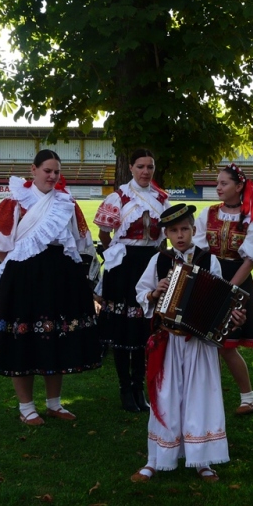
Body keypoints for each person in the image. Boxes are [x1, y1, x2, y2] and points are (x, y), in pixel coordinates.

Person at [0, 150, 102, 425]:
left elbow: (80, 242)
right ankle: (26, 408)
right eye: (47, 170)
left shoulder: (66, 202)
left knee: (55, 336)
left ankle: (54, 404)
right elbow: (0, 246)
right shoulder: (14, 201)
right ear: (33, 170)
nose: (52, 176)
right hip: (24, 277)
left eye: (56, 171)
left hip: (59, 276)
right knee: (23, 338)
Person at [130, 204, 247, 483]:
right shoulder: (159, 261)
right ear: (167, 234)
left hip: (199, 342)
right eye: (174, 231)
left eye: (185, 229)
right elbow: (140, 292)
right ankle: (156, 458)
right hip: (169, 340)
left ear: (194, 230)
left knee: (200, 397)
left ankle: (202, 459)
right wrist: (152, 294)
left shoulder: (209, 261)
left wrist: (232, 316)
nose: (180, 235)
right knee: (166, 396)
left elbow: (221, 299)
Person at [94, 149, 171, 412]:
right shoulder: (119, 197)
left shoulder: (162, 198)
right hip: (125, 264)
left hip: (151, 263)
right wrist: (119, 251)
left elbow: (166, 236)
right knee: (123, 326)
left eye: (150, 166)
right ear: (131, 168)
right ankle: (124, 387)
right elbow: (104, 234)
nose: (146, 171)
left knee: (142, 327)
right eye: (140, 166)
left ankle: (139, 387)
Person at [192, 163, 253, 414]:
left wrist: (229, 289)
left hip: (236, 279)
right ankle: (206, 400)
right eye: (217, 183)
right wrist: (207, 283)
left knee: (227, 344)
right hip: (208, 277)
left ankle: (248, 397)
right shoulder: (208, 213)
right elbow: (199, 250)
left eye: (224, 183)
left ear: (239, 186)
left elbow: (250, 260)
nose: (218, 187)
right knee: (203, 341)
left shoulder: (252, 219)